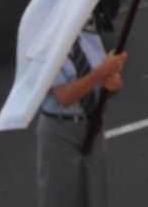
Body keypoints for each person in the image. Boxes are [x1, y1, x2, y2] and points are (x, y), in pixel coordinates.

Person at [37, 18, 127, 207]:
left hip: (93, 125)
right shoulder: (46, 45)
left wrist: (114, 84)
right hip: (60, 130)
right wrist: (101, 72)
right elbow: (64, 96)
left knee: (96, 197)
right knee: (60, 198)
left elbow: (103, 82)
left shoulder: (88, 36)